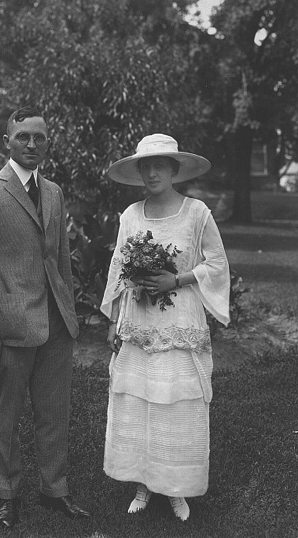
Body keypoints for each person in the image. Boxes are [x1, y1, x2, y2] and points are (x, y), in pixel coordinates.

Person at [0, 106, 91, 528]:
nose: (31, 144)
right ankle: (7, 494)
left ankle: (55, 490)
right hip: (10, 326)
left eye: (39, 137)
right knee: (8, 415)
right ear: (7, 142)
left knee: (54, 412)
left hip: (54, 324)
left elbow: (61, 262)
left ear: (48, 142)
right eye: (23, 137)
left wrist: (69, 313)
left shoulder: (52, 192)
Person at [101, 134, 230, 521]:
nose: (152, 172)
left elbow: (218, 264)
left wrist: (178, 280)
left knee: (176, 400)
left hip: (179, 320)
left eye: (160, 165)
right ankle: (142, 483)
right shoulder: (131, 215)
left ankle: (176, 487)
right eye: (146, 166)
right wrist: (113, 321)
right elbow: (119, 271)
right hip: (139, 322)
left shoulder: (197, 213)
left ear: (175, 169)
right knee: (140, 398)